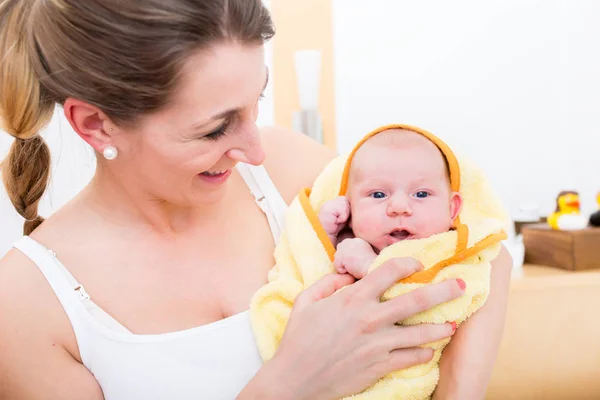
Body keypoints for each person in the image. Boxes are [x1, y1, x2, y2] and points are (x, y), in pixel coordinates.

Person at [0, 1, 512, 399]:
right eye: (215, 128)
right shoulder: (28, 302)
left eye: (256, 101)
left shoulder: (287, 173)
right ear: (94, 123)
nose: (254, 148)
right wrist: (290, 384)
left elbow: (485, 248)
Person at [320, 129, 463, 279]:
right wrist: (327, 235)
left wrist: (368, 267)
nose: (399, 207)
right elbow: (309, 277)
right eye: (378, 195)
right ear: (350, 209)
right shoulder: (346, 250)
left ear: (452, 209)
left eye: (421, 194)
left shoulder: (460, 252)